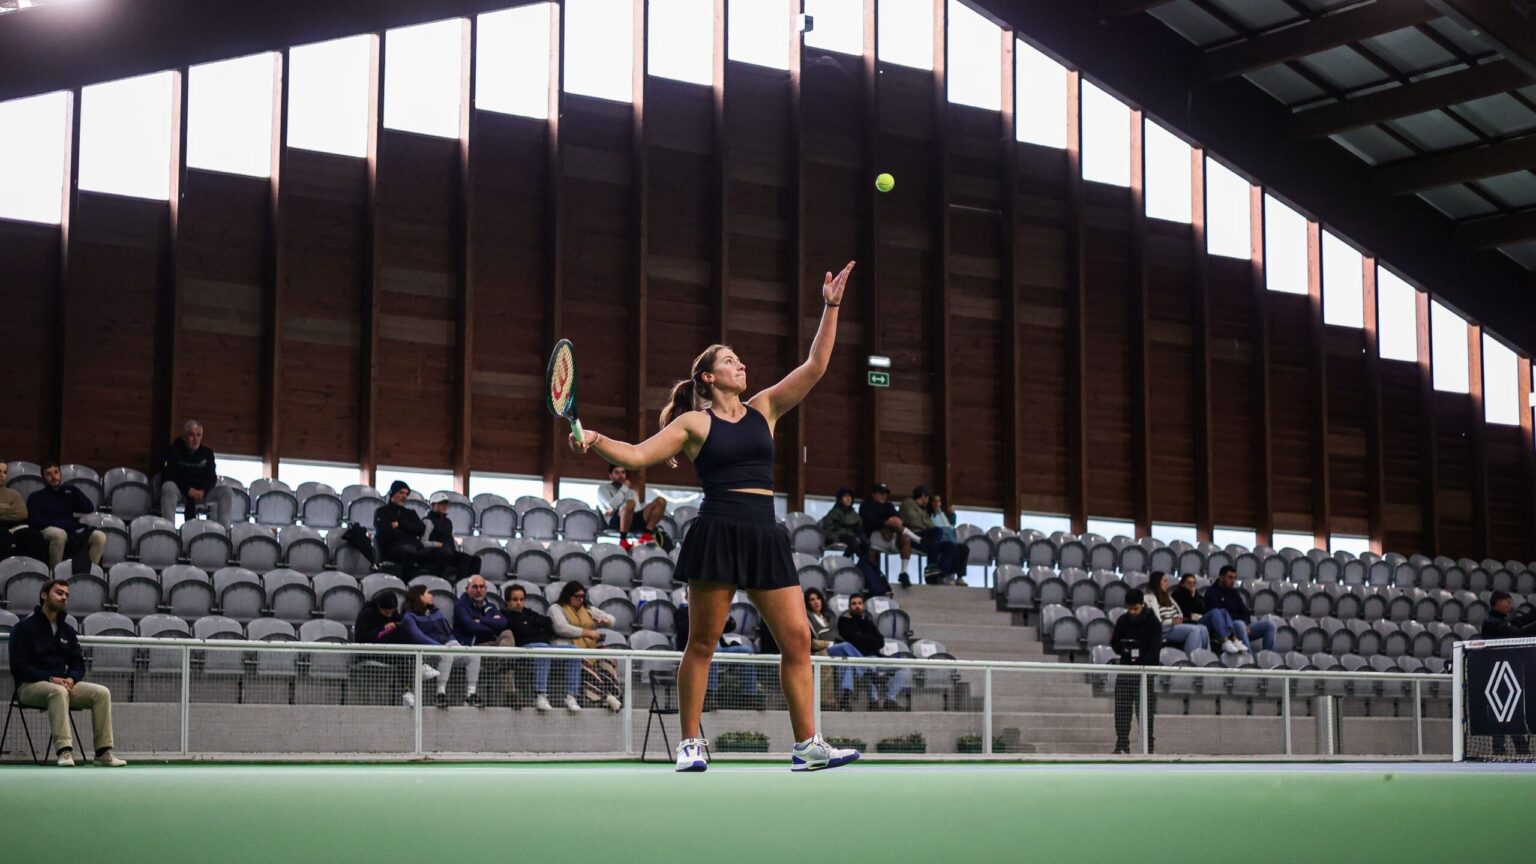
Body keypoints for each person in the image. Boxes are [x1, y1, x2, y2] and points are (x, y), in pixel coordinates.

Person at [568, 260, 861, 772]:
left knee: (797, 639)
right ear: (709, 376)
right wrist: (594, 439)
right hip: (719, 530)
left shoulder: (765, 408)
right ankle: (688, 744)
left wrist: (830, 306)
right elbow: (636, 456)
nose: (740, 364)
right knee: (702, 641)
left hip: (763, 532)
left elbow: (816, 366)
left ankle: (807, 745)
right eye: (730, 360)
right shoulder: (693, 422)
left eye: (739, 359)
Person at [7, 580, 126, 766]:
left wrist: (72, 678)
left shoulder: (67, 631)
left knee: (101, 693)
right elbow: (18, 666)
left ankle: (103, 753)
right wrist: (49, 678)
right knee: (58, 691)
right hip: (29, 687)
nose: (64, 597)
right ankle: (64, 751)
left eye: (66, 595)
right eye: (59, 593)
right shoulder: (23, 628)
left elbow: (78, 664)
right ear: (44, 595)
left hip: (62, 685)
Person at [498, 584, 583, 712]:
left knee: (574, 650)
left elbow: (548, 623)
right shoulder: (504, 615)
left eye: (521, 599)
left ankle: (571, 696)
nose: (519, 603)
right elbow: (521, 630)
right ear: (507, 601)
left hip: (545, 647)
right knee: (543, 648)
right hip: (523, 651)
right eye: (515, 600)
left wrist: (530, 625)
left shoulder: (529, 612)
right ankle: (540, 695)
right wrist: (535, 627)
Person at [676, 587, 763, 711]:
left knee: (746, 651)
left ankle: (749, 696)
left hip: (720, 647)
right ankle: (710, 696)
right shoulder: (681, 613)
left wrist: (725, 617)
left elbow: (730, 627)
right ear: (687, 598)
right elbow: (684, 630)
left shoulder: (711, 611)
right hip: (697, 650)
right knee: (712, 651)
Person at [397, 584, 481, 708]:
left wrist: (454, 644)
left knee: (473, 655)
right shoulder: (409, 617)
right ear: (419, 597)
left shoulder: (437, 613)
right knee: (446, 654)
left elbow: (449, 633)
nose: (431, 595)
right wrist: (439, 647)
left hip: (446, 648)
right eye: (427, 593)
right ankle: (440, 694)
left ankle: (471, 695)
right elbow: (418, 637)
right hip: (425, 654)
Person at [548, 581, 623, 712]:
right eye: (577, 596)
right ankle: (605, 697)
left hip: (589, 649)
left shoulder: (588, 610)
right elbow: (561, 628)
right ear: (568, 596)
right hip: (568, 650)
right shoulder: (556, 608)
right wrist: (587, 632)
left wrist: (606, 621)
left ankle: (613, 694)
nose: (581, 600)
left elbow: (611, 618)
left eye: (583, 596)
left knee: (609, 657)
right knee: (583, 662)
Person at [374, 481, 472, 581]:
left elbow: (420, 529)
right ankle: (406, 584)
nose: (404, 496)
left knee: (444, 553)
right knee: (409, 550)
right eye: (401, 492)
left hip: (415, 549)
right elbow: (385, 531)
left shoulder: (410, 513)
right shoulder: (382, 512)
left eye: (406, 494)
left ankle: (433, 581)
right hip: (392, 550)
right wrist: (408, 529)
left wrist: (399, 524)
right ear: (392, 493)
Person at [836, 593, 913, 712]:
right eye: (854, 604)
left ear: (864, 606)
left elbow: (880, 641)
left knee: (904, 668)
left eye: (860, 603)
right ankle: (874, 701)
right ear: (849, 606)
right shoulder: (843, 622)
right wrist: (868, 639)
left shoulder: (868, 621)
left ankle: (890, 700)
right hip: (859, 659)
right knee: (866, 667)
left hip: (876, 658)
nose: (857, 606)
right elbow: (853, 639)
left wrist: (863, 638)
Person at [1110, 588, 1161, 755]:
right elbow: (1115, 642)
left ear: (1142, 605)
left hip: (1144, 674)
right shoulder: (1122, 621)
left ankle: (1148, 748)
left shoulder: (1153, 622)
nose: (1132, 612)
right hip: (1125, 671)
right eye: (1129, 609)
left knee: (1145, 713)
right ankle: (1122, 744)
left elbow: (1155, 649)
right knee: (1122, 710)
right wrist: (1123, 649)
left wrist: (1143, 663)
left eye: (1135, 609)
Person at [27, 464, 105, 571]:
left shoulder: (68, 493)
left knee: (99, 536)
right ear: (43, 478)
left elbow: (88, 507)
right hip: (47, 529)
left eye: (56, 472)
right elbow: (34, 521)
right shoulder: (35, 497)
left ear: (60, 474)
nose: (54, 477)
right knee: (60, 534)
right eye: (49, 474)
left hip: (69, 529)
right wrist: (60, 524)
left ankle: (90, 573)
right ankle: (55, 573)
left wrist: (74, 490)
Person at [157, 420, 233, 524]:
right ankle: (168, 529)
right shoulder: (172, 451)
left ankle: (224, 532)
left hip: (201, 493)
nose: (195, 439)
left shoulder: (208, 453)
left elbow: (212, 478)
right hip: (180, 490)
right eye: (191, 435)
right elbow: (168, 475)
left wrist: (203, 491)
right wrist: (188, 490)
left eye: (198, 435)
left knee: (226, 491)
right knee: (168, 486)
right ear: (184, 436)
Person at [355, 592, 422, 707]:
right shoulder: (367, 614)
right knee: (401, 654)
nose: (389, 614)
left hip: (391, 651)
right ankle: (409, 687)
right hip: (370, 651)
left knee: (404, 637)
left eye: (392, 611)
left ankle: (408, 690)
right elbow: (361, 638)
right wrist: (383, 630)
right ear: (379, 607)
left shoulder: (394, 614)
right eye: (386, 612)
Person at [451, 575, 505, 708]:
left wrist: (481, 620)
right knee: (505, 659)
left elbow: (503, 623)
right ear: (467, 589)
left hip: (491, 645)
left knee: (508, 633)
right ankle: (503, 661)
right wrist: (491, 625)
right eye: (475, 587)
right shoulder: (460, 606)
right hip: (473, 646)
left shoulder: (490, 605)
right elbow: (470, 626)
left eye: (481, 587)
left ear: (486, 589)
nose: (478, 590)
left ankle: (502, 659)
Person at [900, 485, 967, 586]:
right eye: (929, 498)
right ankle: (932, 574)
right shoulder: (908, 504)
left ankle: (941, 573)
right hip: (914, 535)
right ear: (924, 496)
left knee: (951, 546)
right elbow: (913, 521)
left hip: (928, 537)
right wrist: (926, 525)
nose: (929, 501)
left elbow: (930, 524)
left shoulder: (924, 510)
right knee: (937, 534)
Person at [597, 464, 672, 551]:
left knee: (661, 501)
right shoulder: (604, 488)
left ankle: (646, 535)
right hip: (614, 520)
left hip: (632, 518)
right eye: (616, 472)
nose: (620, 475)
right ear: (610, 475)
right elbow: (611, 505)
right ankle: (623, 540)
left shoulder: (631, 492)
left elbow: (637, 510)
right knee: (630, 503)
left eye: (623, 472)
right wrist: (624, 488)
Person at [1203, 565, 1276, 654]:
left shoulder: (1234, 592)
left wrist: (1246, 623)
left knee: (1269, 625)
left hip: (1242, 626)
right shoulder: (1211, 592)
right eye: (1230, 578)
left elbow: (1245, 611)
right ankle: (1249, 659)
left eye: (1234, 578)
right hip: (1225, 628)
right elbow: (1217, 615)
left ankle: (1268, 656)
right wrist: (1240, 622)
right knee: (1239, 624)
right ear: (1221, 578)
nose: (1233, 581)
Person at [861, 483, 916, 589]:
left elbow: (898, 517)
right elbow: (867, 522)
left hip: (893, 536)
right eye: (881, 493)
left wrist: (895, 521)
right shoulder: (866, 505)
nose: (884, 496)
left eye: (885, 494)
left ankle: (904, 573)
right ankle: (873, 578)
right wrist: (885, 523)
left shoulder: (889, 505)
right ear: (873, 494)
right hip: (875, 537)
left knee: (905, 539)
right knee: (871, 550)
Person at [1144, 571, 1209, 655]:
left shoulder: (1168, 597)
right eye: (1165, 581)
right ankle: (1192, 660)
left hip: (1176, 625)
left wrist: (1179, 618)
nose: (1167, 583)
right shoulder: (1147, 599)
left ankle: (1204, 658)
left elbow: (1178, 612)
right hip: (1164, 629)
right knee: (1194, 630)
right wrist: (1171, 621)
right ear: (1157, 582)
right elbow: (1152, 620)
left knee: (1203, 628)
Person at [425, 493, 482, 581]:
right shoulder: (428, 521)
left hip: (448, 552)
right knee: (447, 553)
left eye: (445, 504)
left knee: (474, 560)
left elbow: (449, 538)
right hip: (433, 553)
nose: (444, 506)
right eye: (441, 504)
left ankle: (468, 584)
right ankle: (437, 580)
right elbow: (423, 542)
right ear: (433, 505)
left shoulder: (448, 522)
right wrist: (437, 544)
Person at [0, 461, 47, 563]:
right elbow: (14, 512)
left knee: (33, 535)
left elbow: (22, 514)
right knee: (2, 535)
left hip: (16, 526)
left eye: (4, 472)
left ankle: (37, 571)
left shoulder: (14, 494)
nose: (2, 475)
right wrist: (9, 508)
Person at [818, 487, 868, 561]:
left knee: (865, 542)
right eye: (845, 496)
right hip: (838, 536)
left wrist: (862, 536)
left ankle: (847, 560)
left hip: (851, 536)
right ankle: (860, 559)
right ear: (840, 499)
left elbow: (859, 527)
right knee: (853, 541)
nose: (848, 498)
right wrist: (835, 536)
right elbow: (828, 527)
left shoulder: (854, 514)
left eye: (850, 496)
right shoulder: (835, 512)